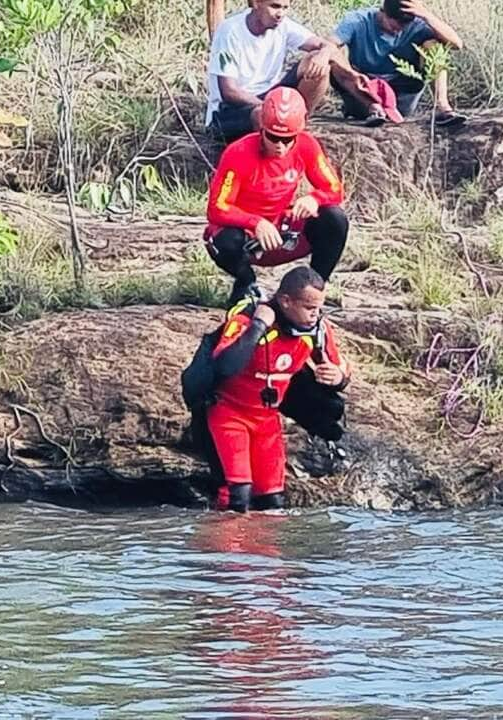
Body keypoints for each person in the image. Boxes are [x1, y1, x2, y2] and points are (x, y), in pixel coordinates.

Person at [205, 266, 349, 513]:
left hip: (267, 419)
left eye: (318, 308)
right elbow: (225, 365)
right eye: (308, 308)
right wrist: (259, 325)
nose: (315, 315)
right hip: (229, 413)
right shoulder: (248, 320)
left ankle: (263, 551)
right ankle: (222, 550)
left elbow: (341, 369)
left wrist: (338, 378)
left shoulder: (318, 330)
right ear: (285, 301)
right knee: (238, 495)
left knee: (273, 502)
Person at [205, 86, 347, 306]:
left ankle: (315, 288)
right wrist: (255, 222)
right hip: (247, 234)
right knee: (223, 240)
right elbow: (217, 207)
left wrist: (314, 199)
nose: (280, 146)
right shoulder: (238, 153)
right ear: (261, 129)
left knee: (335, 218)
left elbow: (335, 189)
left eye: (288, 139)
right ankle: (246, 284)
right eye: (273, 137)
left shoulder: (307, 145)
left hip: (282, 230)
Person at [205, 0, 334, 141]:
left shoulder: (284, 26)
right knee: (261, 115)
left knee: (318, 65)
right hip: (229, 111)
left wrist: (324, 53)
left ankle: (297, 124)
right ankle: (279, 129)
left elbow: (324, 45)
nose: (281, 14)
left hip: (269, 96)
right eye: (275, 6)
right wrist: (270, 107)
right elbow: (229, 92)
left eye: (285, 8)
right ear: (255, 3)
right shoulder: (230, 31)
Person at [328, 0, 466, 127]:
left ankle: (442, 107)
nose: (398, 30)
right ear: (383, 12)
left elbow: (456, 45)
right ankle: (372, 107)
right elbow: (330, 45)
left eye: (404, 26)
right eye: (394, 25)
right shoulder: (358, 20)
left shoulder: (418, 24)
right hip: (364, 90)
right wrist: (351, 74)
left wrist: (426, 15)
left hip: (401, 91)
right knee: (334, 59)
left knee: (435, 47)